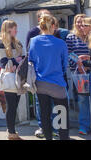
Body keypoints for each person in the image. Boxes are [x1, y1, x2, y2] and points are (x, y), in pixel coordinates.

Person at [29, 14, 70, 140]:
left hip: (40, 83)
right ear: (53, 26)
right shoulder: (61, 43)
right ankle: (63, 138)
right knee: (61, 115)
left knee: (45, 114)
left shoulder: (34, 41)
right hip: (57, 83)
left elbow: (31, 60)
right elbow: (65, 64)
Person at [66, 14, 91, 137]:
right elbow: (69, 55)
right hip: (80, 74)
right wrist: (80, 67)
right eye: (78, 22)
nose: (80, 25)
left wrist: (87, 64)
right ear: (74, 24)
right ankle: (84, 126)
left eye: (83, 23)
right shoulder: (71, 37)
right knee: (82, 100)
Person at [26, 9, 58, 138]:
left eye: (50, 17)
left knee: (55, 102)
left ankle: (55, 127)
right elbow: (29, 53)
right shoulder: (33, 33)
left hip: (55, 74)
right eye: (46, 17)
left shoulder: (57, 33)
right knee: (41, 103)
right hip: (40, 73)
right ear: (39, 19)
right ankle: (43, 127)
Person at [0, 20, 25, 140]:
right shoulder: (0, 43)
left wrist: (15, 62)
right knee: (11, 106)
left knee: (15, 105)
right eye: (14, 28)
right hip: (9, 78)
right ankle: (12, 133)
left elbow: (23, 57)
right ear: (8, 29)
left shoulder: (17, 42)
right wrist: (16, 61)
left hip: (18, 76)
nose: (16, 31)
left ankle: (11, 129)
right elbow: (3, 62)